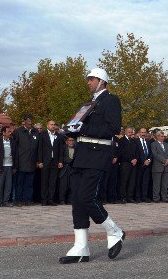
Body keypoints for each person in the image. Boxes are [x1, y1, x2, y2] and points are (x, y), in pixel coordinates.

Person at [60, 68, 125, 264]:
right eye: (88, 79)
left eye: (92, 79)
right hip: (82, 155)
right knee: (78, 201)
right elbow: (82, 129)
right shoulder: (89, 104)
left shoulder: (110, 100)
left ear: (102, 81)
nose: (88, 82)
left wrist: (84, 127)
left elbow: (112, 128)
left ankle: (114, 231)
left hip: (97, 155)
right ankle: (81, 247)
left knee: (88, 197)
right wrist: (70, 130)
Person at [13, 114, 39, 206]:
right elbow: (14, 148)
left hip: (32, 162)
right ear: (24, 121)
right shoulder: (18, 131)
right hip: (21, 162)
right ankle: (19, 200)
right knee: (20, 183)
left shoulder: (35, 132)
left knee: (29, 183)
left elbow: (38, 148)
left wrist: (38, 161)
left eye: (31, 120)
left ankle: (27, 200)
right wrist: (15, 163)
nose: (30, 122)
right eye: (28, 120)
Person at [38, 120, 63, 206]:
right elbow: (40, 149)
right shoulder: (42, 134)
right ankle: (44, 200)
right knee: (44, 181)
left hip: (55, 161)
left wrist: (60, 161)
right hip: (45, 161)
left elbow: (60, 149)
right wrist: (40, 161)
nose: (53, 126)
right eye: (51, 124)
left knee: (53, 181)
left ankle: (51, 199)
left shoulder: (58, 136)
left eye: (54, 124)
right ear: (47, 125)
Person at [0, 126, 16, 207]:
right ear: (3, 133)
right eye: (8, 131)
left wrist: (15, 167)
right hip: (1, 166)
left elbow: (15, 155)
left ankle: (6, 201)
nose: (10, 133)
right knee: (0, 184)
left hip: (10, 166)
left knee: (8, 185)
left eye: (10, 131)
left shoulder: (13, 142)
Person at [118, 127, 138, 203]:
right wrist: (130, 160)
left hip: (134, 164)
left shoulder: (133, 141)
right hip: (125, 163)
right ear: (125, 132)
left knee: (132, 181)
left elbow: (137, 151)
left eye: (131, 132)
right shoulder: (122, 140)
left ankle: (130, 197)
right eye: (129, 132)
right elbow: (122, 152)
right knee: (124, 181)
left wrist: (135, 159)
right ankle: (123, 197)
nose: (130, 134)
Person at [150, 131, 168, 203]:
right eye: (161, 136)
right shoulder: (153, 144)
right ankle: (156, 198)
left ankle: (164, 198)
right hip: (157, 166)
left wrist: (167, 160)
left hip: (166, 167)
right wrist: (164, 160)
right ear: (157, 136)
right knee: (157, 184)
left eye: (163, 136)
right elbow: (155, 154)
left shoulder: (167, 145)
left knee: (165, 184)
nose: (163, 138)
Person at [58, 136, 75, 205]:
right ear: (66, 142)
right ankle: (61, 200)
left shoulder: (76, 149)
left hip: (73, 169)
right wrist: (71, 161)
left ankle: (70, 200)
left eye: (72, 140)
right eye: (69, 140)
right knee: (63, 185)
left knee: (71, 185)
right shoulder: (63, 148)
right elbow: (62, 158)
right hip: (64, 169)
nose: (71, 142)